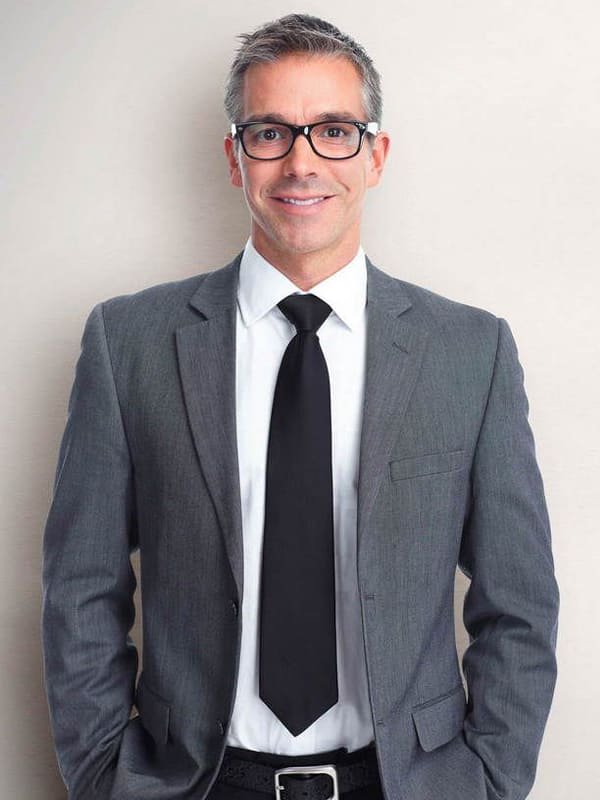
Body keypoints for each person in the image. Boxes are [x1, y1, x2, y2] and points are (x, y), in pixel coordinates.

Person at [41, 13, 559, 800]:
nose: (302, 162)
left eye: (335, 132)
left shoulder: (471, 351)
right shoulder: (128, 343)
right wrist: (104, 777)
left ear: (376, 155)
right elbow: (81, 586)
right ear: (234, 157)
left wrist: (487, 781)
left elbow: (519, 603)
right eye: (270, 133)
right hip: (194, 783)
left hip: (406, 783)